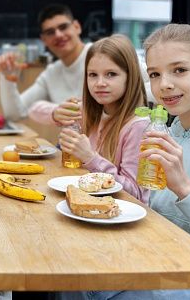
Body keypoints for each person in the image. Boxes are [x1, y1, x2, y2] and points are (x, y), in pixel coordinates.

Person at [55, 24, 190, 300]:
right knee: (65, 261)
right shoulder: (166, 131)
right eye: (155, 74)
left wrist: (185, 189)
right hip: (153, 258)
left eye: (180, 70)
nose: (164, 84)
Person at [56, 35, 149, 203]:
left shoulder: (138, 126)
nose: (99, 83)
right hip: (87, 205)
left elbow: (136, 195)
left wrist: (90, 158)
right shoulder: (89, 113)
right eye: (92, 75)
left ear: (131, 76)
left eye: (111, 74)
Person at [0, 4, 91, 125]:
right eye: (50, 32)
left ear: (77, 27)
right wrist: (7, 79)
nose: (58, 35)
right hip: (69, 143)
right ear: (43, 40)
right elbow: (15, 114)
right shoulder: (51, 74)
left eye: (63, 27)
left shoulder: (101, 55)